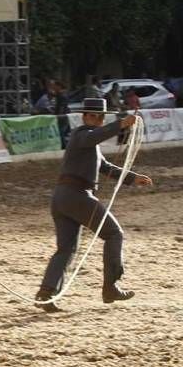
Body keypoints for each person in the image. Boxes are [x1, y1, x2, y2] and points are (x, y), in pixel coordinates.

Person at [35, 98, 153, 312]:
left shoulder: (88, 142)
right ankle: (111, 286)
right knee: (114, 234)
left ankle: (46, 292)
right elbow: (94, 137)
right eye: (94, 116)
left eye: (101, 116)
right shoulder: (82, 136)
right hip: (77, 196)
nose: (98, 119)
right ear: (85, 117)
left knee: (66, 249)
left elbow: (106, 167)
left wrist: (132, 178)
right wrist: (120, 125)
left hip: (63, 198)